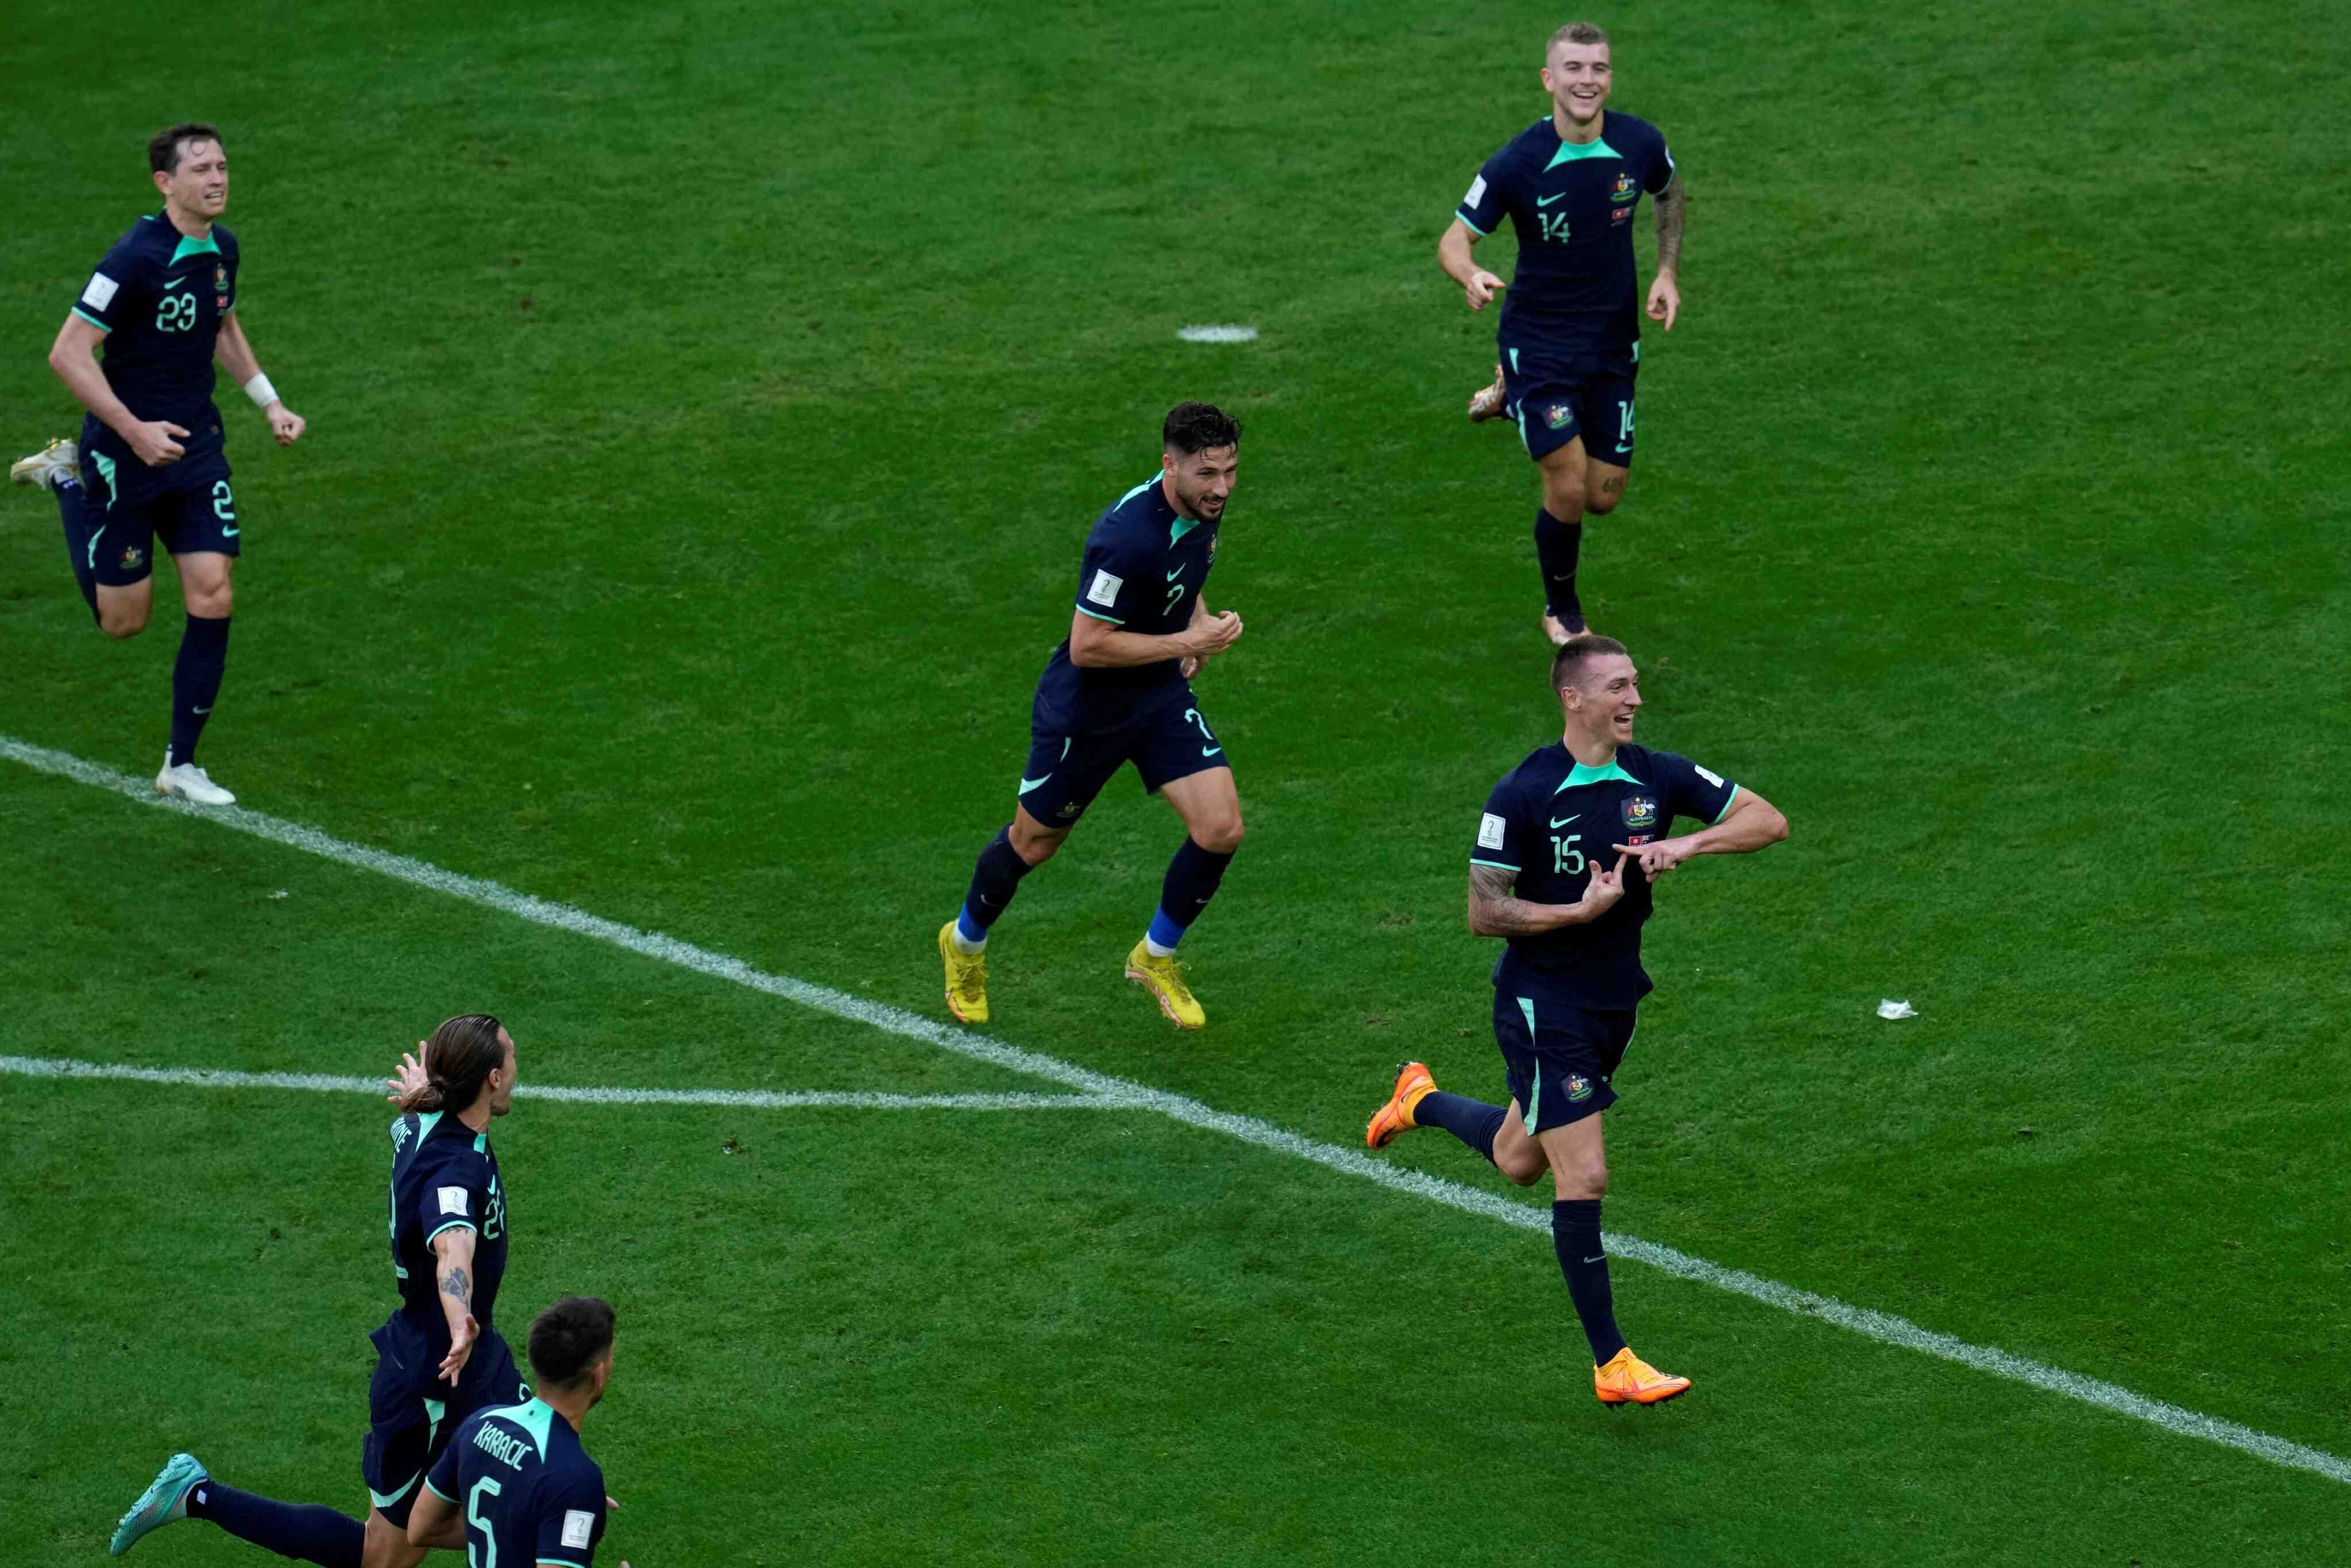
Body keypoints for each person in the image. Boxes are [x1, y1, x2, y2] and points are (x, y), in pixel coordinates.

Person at [1365, 635, 1786, 1406]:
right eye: (1619, 687)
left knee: (1520, 1159)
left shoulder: (1656, 775)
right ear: (1575, 698)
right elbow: (1482, 910)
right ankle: (1612, 1362)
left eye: (1634, 685)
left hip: (1613, 1000)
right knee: (1582, 1172)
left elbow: (1768, 820)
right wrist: (1576, 910)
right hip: (1541, 1004)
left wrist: (1689, 841)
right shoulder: (1523, 792)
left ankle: (1416, 1100)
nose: (1635, 699)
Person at [109, 1017, 528, 1567]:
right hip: (433, 1377)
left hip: (476, 1360)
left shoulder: (422, 1122)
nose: (519, 1071)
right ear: (493, 1079)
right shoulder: (453, 1171)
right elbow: (454, 1249)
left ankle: (539, 1520)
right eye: (513, 1060)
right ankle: (196, 1495)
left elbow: (421, 1116)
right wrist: (458, 1320)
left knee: (539, 1458)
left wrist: (420, 1092)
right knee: (385, 1556)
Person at [9, 121, 306, 805]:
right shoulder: (133, 259)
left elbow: (222, 324)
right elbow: (69, 353)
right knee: (125, 622)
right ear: (165, 183)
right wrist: (132, 430)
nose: (218, 178)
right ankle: (67, 478)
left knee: (214, 592)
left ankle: (182, 763)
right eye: (201, 169)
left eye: (223, 166)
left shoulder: (222, 249)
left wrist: (270, 404)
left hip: (196, 449)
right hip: (125, 455)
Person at [938, 401, 1249, 1030]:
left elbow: (1183, 576)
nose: (1221, 487)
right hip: (1088, 711)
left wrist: (1195, 621)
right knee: (1034, 842)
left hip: (1156, 698)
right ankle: (964, 943)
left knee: (1221, 828)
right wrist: (1188, 645)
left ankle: (1153, 958)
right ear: (1170, 466)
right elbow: (1088, 645)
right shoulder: (1123, 537)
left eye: (1231, 471)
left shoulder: (1201, 510)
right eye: (1207, 474)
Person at [1437, 22, 1685, 646]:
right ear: (1550, 80)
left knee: (1603, 495)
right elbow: (1453, 239)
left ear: (1610, 78)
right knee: (1568, 484)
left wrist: (1666, 272)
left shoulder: (1640, 143)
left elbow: (1669, 191)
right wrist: (1469, 275)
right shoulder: (1517, 162)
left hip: (1610, 343)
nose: (1587, 80)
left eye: (1598, 68)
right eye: (1573, 69)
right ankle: (1561, 611)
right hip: (1538, 343)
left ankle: (1508, 401)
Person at [408, 1296, 626, 1568]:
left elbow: (421, 1528)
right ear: (599, 1374)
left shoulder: (479, 1424)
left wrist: (542, 1509)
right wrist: (570, 1495)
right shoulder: (575, 1479)